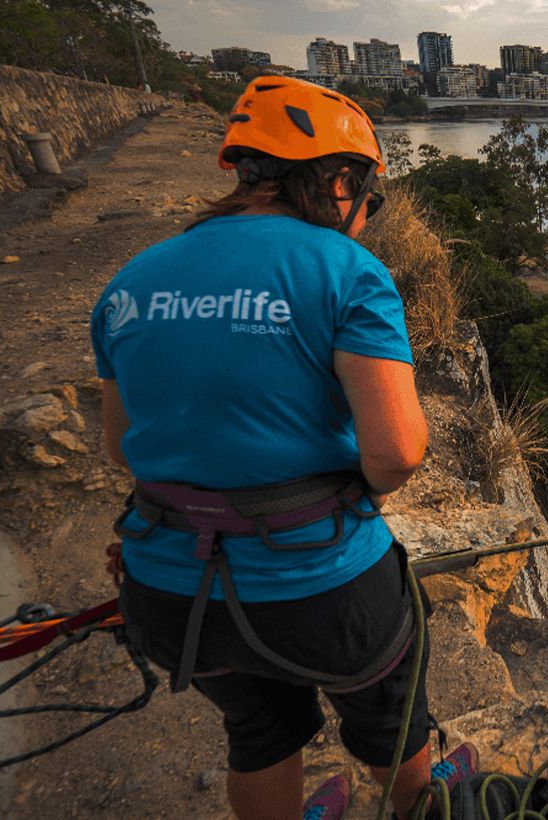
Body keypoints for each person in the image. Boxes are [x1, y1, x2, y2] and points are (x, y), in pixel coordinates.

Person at [92, 77, 471, 820]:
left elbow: (123, 449)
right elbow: (396, 452)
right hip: (320, 589)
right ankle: (422, 804)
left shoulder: (129, 284)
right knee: (388, 709)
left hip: (170, 592)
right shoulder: (344, 271)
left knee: (258, 729)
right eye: (369, 196)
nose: (364, 218)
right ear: (338, 180)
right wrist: (361, 481)